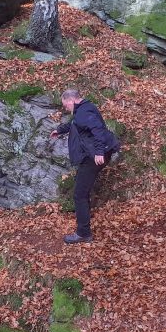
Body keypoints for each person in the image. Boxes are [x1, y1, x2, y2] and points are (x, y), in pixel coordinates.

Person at [49, 89, 120, 244]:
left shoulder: (83, 112)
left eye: (65, 105)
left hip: (93, 157)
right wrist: (59, 130)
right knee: (82, 191)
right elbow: (75, 124)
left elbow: (98, 130)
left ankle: (83, 233)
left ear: (71, 100)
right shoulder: (83, 109)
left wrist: (100, 152)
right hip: (92, 156)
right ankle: (84, 228)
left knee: (79, 194)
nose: (66, 108)